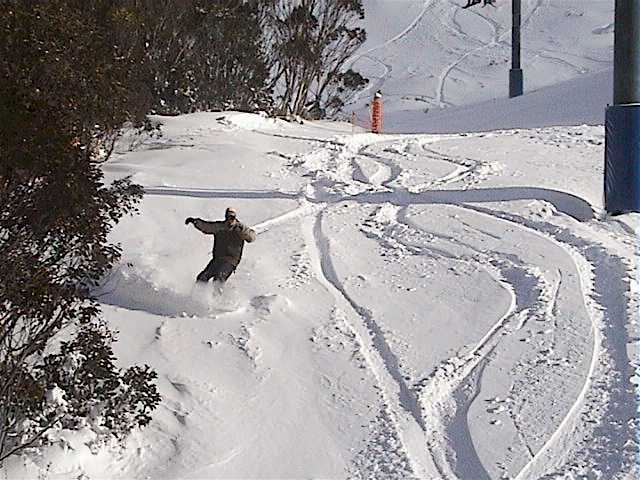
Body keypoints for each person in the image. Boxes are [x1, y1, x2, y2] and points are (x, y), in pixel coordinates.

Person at [185, 207, 256, 284]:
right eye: (228, 217)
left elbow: (251, 237)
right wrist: (195, 222)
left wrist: (242, 232)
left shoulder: (239, 228)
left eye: (232, 217)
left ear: (235, 217)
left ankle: (218, 295)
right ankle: (197, 294)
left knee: (219, 278)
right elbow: (207, 227)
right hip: (218, 259)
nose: (230, 219)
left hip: (231, 260)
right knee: (202, 277)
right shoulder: (220, 227)